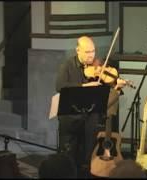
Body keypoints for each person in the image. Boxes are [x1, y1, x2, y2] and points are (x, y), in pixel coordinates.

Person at [55, 36, 127, 178]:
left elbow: (108, 94)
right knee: (68, 157)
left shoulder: (97, 67)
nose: (91, 55)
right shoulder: (67, 66)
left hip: (89, 121)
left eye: (93, 51)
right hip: (70, 120)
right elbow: (60, 86)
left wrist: (116, 86)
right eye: (87, 52)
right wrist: (84, 86)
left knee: (88, 158)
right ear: (78, 51)